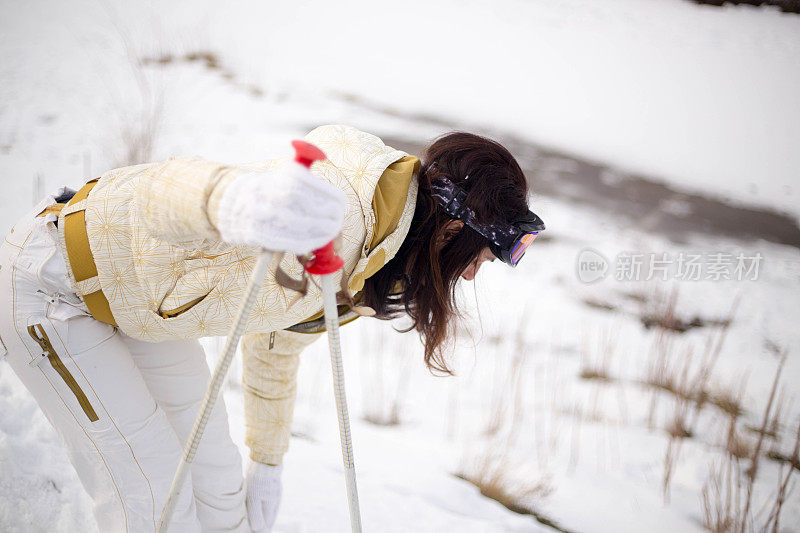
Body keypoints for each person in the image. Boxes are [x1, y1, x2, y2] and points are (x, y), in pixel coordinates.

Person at [0, 124, 544, 532]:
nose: (474, 272)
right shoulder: (342, 208)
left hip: (141, 311)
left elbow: (276, 341)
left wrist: (268, 461)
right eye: (482, 256)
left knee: (216, 481)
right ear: (451, 228)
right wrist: (234, 202)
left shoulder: (373, 265)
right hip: (58, 282)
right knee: (150, 493)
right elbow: (159, 189)